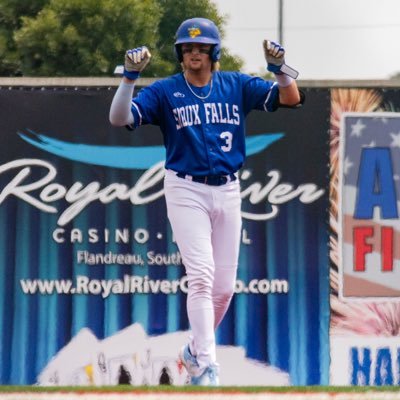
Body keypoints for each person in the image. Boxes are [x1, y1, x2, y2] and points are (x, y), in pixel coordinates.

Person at [109, 17, 303, 386]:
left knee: (224, 288)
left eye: (200, 47)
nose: (193, 53)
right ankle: (208, 366)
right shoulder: (167, 90)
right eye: (187, 48)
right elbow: (120, 119)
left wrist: (280, 71)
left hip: (228, 189)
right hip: (186, 188)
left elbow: (290, 98)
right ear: (180, 54)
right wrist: (129, 79)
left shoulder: (234, 84)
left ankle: (194, 351)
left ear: (213, 52)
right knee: (200, 276)